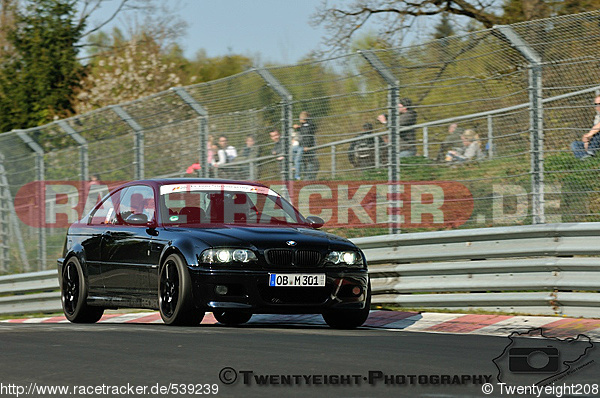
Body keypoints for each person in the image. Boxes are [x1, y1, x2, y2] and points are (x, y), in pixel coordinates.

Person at [295, 111, 320, 180]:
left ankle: (305, 178)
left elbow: (308, 136)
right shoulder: (304, 125)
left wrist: (307, 146)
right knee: (302, 160)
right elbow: (304, 132)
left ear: (304, 118)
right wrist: (298, 128)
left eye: (300, 118)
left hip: (307, 146)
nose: (299, 119)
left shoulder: (308, 125)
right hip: (303, 146)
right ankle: (304, 176)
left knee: (309, 161)